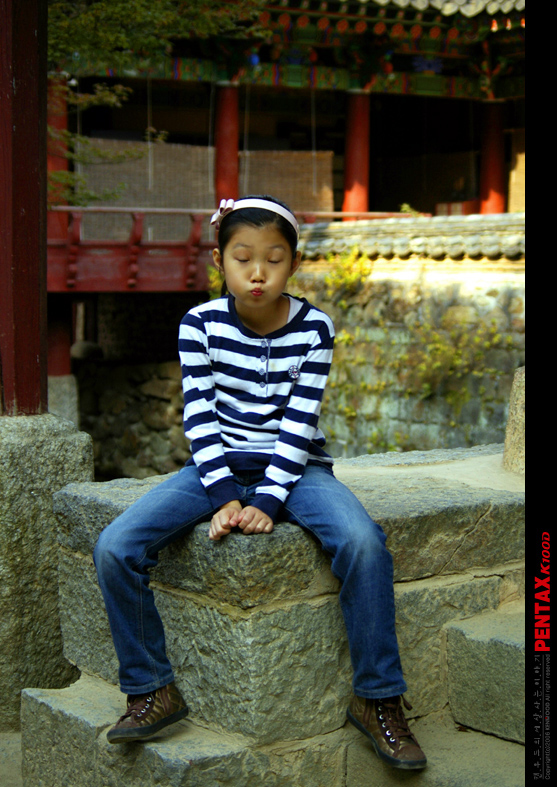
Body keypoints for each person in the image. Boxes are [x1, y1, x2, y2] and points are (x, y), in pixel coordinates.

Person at [93, 195, 427, 770]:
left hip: (298, 469)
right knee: (114, 546)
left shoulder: (315, 328)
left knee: (363, 542)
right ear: (219, 260)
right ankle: (151, 688)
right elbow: (199, 416)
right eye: (242, 258)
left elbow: (299, 423)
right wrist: (224, 496)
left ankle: (378, 699)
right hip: (214, 466)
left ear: (293, 263)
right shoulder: (199, 325)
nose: (257, 273)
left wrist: (269, 499)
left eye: (273, 260)